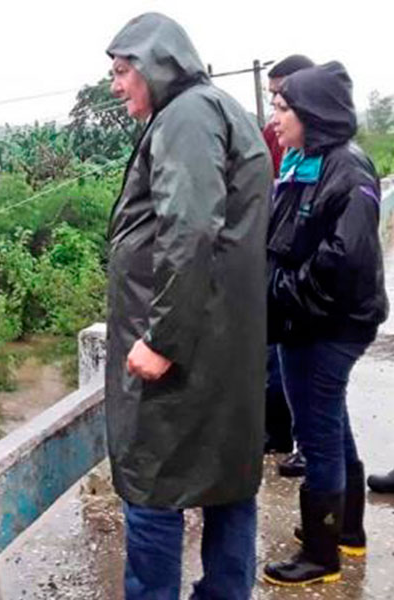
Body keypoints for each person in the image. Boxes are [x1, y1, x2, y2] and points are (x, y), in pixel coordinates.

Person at [105, 13, 271, 600]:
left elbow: (191, 227)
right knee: (227, 482)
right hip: (224, 343)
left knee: (153, 485)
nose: (115, 84)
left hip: (184, 353)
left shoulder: (186, 116)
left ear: (157, 63)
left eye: (123, 71)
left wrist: (161, 339)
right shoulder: (220, 110)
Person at [263, 61, 388, 586]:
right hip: (305, 322)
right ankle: (345, 530)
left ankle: (321, 555)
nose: (274, 117)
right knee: (331, 423)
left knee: (317, 434)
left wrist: (280, 293)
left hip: (325, 325)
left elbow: (345, 259)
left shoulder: (348, 169)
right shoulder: (306, 160)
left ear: (310, 114)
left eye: (283, 107)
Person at [261, 55, 316, 477]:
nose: (275, 110)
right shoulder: (277, 142)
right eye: (272, 99)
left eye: (281, 99)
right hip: (280, 276)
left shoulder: (334, 161)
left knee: (316, 388)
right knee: (276, 363)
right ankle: (282, 434)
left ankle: (339, 530)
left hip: (307, 290)